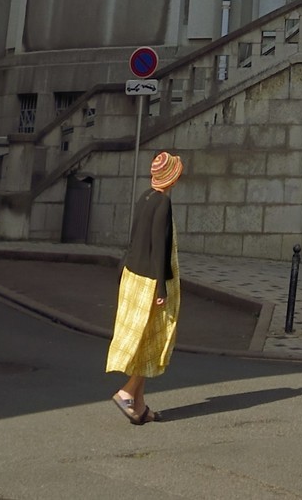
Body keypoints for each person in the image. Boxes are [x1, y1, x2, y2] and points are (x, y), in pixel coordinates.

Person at [107, 150, 183, 425]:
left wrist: (121, 270)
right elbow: (159, 247)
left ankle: (139, 408)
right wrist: (162, 289)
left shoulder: (144, 197)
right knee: (151, 339)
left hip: (133, 275)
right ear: (171, 178)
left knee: (141, 336)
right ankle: (127, 392)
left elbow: (135, 237)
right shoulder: (163, 203)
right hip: (151, 280)